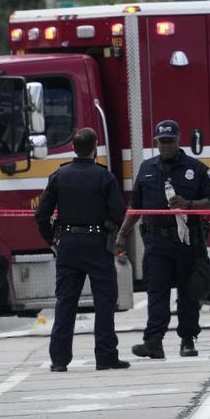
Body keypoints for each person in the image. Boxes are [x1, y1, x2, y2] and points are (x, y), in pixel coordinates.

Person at [118, 120, 210, 360]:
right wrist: (122, 234)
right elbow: (135, 207)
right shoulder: (146, 169)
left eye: (170, 141)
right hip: (156, 242)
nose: (165, 146)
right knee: (156, 293)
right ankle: (153, 341)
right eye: (161, 142)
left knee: (188, 293)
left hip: (187, 242)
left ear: (178, 141)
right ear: (156, 142)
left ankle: (187, 340)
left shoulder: (195, 168)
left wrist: (190, 205)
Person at [34, 128, 130, 372]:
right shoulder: (104, 177)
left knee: (65, 302)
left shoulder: (59, 175)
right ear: (95, 147)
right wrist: (109, 228)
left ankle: (59, 359)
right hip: (97, 245)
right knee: (104, 302)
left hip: (67, 244)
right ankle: (106, 356)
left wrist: (51, 240)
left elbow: (41, 213)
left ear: (73, 148)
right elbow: (119, 212)